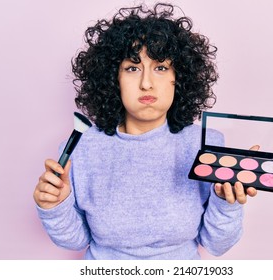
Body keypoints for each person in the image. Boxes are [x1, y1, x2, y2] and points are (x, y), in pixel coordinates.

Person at [33, 2, 257, 260]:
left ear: (180, 77)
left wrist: (226, 202)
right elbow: (76, 241)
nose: (147, 83)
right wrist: (54, 206)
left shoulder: (204, 144)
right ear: (112, 79)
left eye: (161, 68)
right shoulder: (79, 149)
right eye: (132, 68)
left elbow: (216, 245)